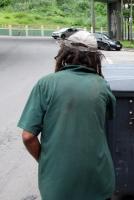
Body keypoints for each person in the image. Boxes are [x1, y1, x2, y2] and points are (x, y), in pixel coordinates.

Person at [18, 31, 116, 200]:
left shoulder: (45, 84)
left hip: (56, 184)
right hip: (98, 180)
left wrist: (46, 161)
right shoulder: (101, 86)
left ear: (64, 54)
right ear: (95, 58)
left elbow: (28, 137)